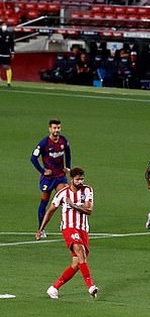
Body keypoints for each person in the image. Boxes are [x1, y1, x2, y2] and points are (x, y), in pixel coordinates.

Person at [36, 167, 99, 300]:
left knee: (77, 263)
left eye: (82, 179)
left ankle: (54, 288)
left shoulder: (88, 190)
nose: (80, 181)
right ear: (72, 179)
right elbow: (51, 210)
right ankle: (90, 286)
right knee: (81, 252)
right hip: (69, 228)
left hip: (83, 229)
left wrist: (74, 205)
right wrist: (41, 229)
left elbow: (89, 210)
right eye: (77, 179)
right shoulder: (62, 193)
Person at [30, 118, 71, 237]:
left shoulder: (64, 140)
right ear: (50, 129)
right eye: (54, 128)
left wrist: (67, 166)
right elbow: (33, 158)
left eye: (58, 128)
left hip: (60, 176)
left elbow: (68, 153)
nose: (56, 130)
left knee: (65, 199)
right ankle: (41, 229)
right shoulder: (44, 143)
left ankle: (66, 225)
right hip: (48, 178)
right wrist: (43, 171)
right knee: (44, 202)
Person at [0, 19, 15, 87]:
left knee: (7, 67)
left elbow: (12, 44)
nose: (4, 26)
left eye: (5, 25)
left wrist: (12, 52)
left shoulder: (9, 34)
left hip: (6, 53)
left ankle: (8, 82)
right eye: (3, 25)